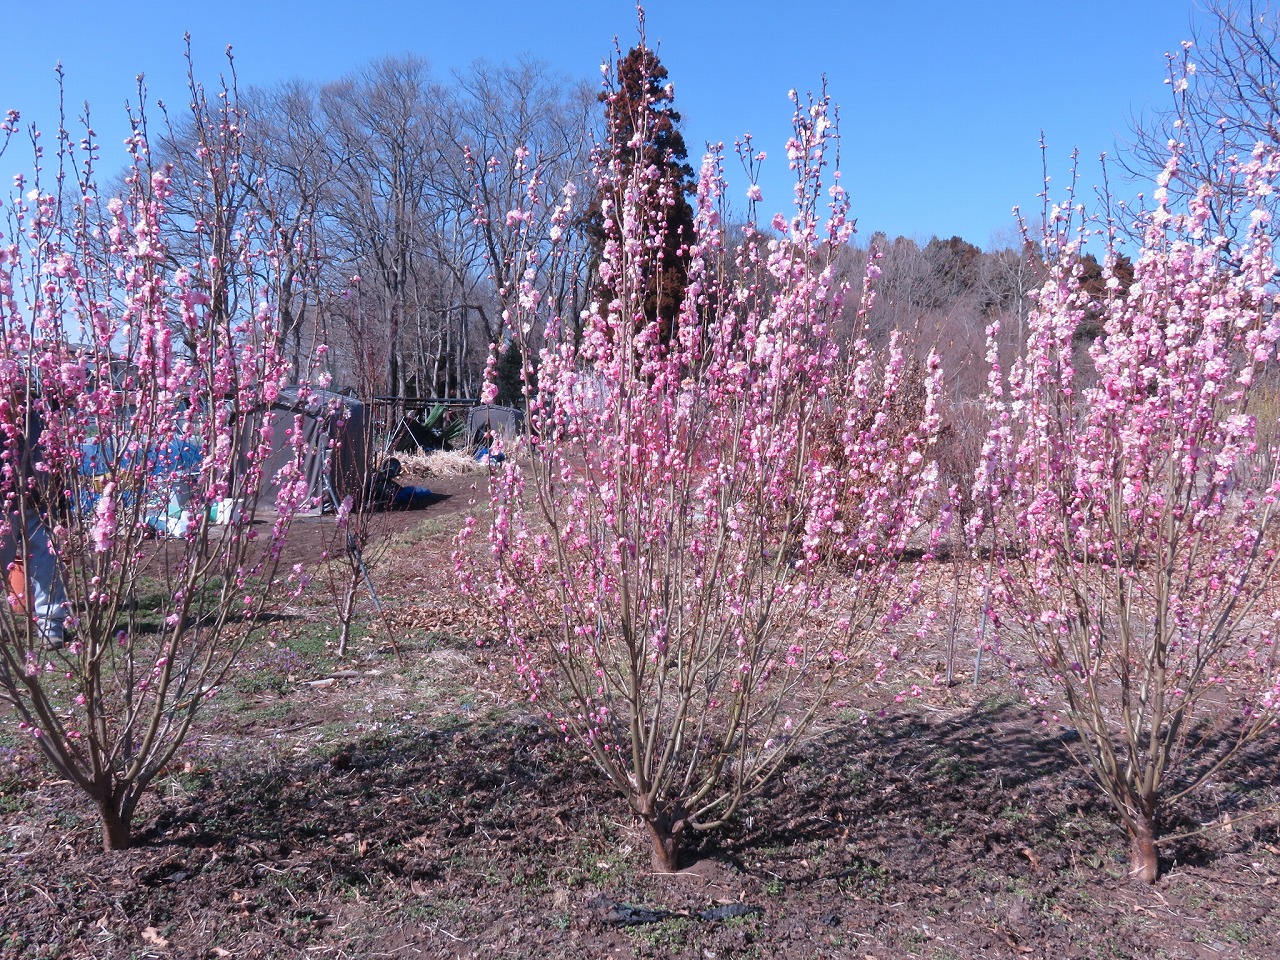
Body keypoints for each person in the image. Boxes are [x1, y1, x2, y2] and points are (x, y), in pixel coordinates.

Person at [0, 376, 68, 649]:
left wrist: (59, 503)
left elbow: (55, 454)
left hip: (39, 498)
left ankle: (51, 626)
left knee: (46, 562)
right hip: (4, 501)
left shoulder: (37, 410)